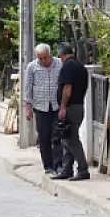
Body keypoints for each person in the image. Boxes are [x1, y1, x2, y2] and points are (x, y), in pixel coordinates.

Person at [22, 43, 63, 175]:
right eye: (40, 58)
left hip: (57, 106)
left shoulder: (60, 64)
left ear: (50, 54)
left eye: (46, 57)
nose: (44, 61)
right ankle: (48, 166)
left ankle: (58, 165)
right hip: (41, 107)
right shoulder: (32, 67)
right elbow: (28, 88)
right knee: (44, 138)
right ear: (37, 57)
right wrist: (27, 107)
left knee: (57, 136)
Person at [54, 42, 91, 181]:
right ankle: (67, 169)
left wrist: (63, 107)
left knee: (71, 139)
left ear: (61, 55)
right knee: (66, 138)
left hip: (71, 107)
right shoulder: (81, 67)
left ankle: (82, 169)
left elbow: (67, 89)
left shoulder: (68, 66)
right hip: (79, 106)